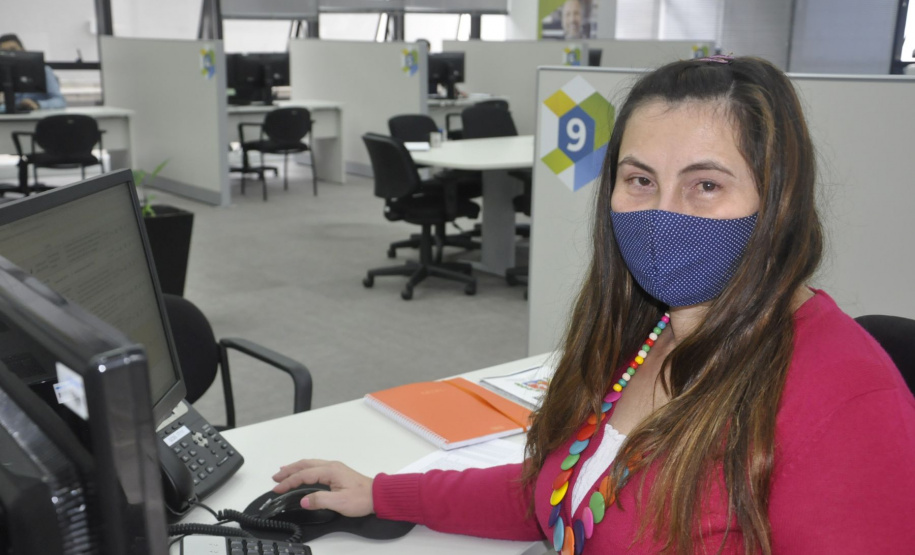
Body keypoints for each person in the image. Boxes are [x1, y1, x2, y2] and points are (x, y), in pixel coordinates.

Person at [271, 56, 915, 553]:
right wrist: (384, 493)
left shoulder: (850, 403)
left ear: (777, 202)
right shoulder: (648, 331)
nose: (662, 214)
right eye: (639, 180)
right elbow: (557, 492)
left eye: (706, 185)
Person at [0, 33, 66, 113]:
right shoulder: (4, 74)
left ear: (23, 50)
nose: (10, 55)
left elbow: (60, 101)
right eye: (4, 52)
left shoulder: (44, 70)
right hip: (11, 119)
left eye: (13, 49)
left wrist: (37, 104)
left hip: (38, 118)